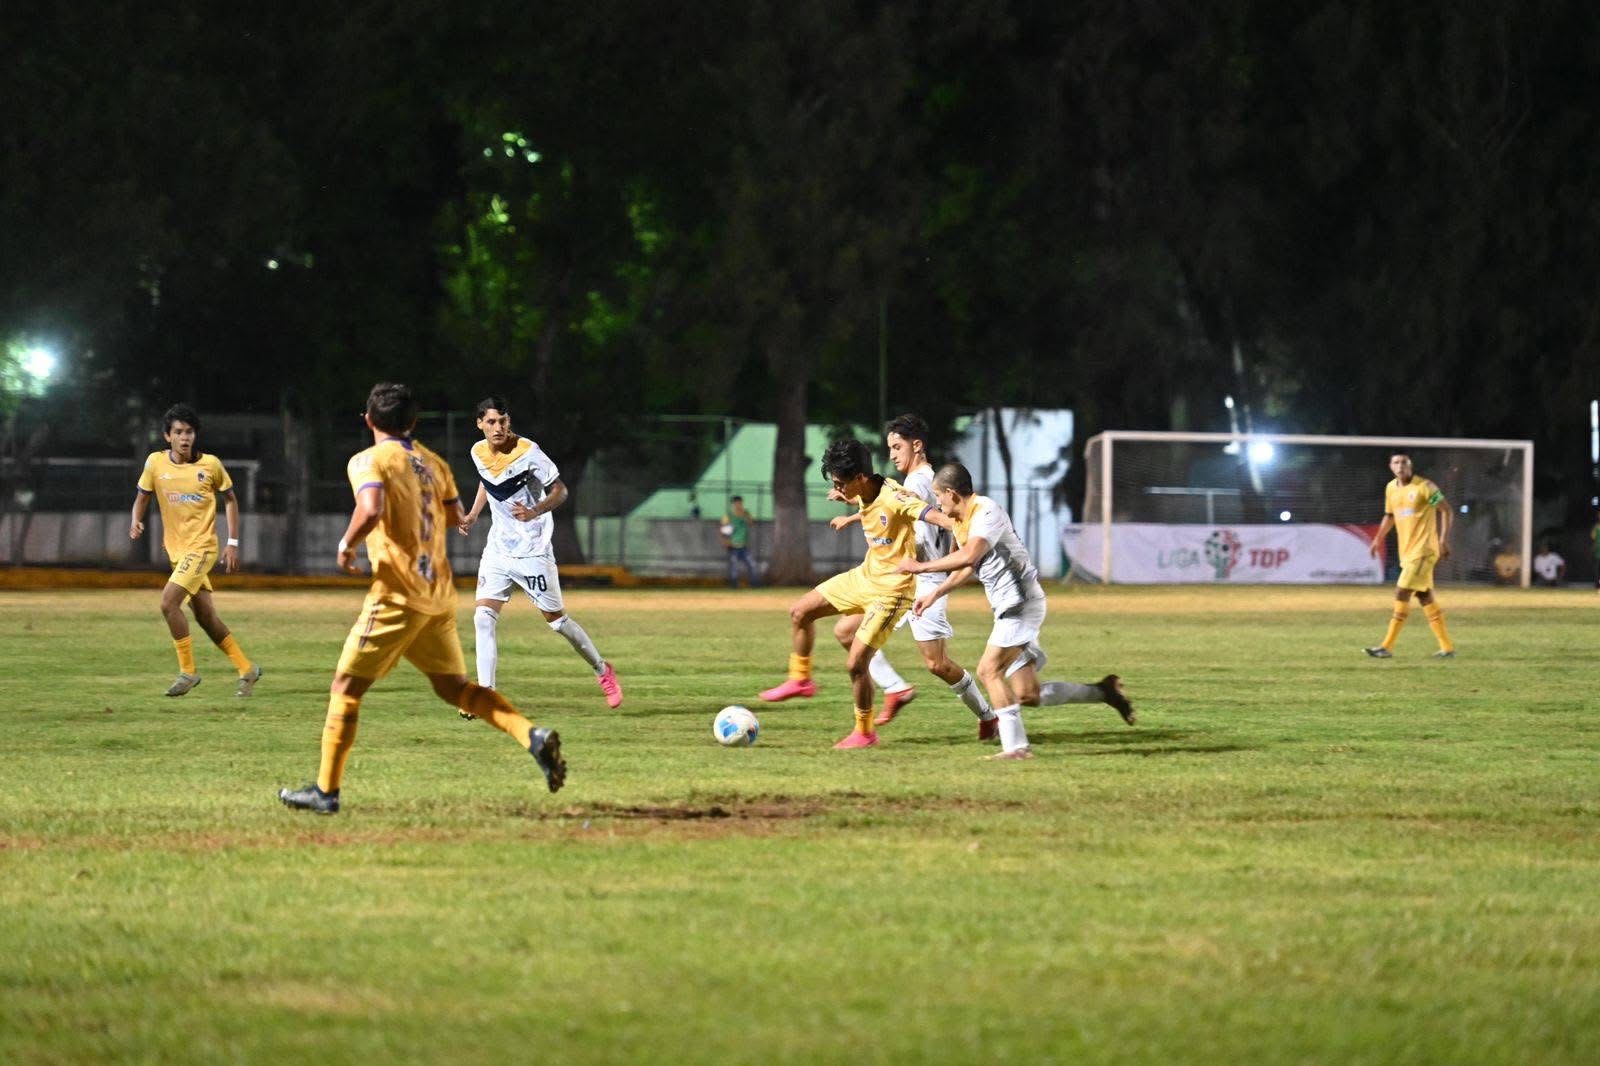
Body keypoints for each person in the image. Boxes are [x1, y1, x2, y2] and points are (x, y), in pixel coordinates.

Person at [278, 383, 565, 814]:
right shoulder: (434, 463)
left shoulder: (368, 459)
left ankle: (326, 791)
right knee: (457, 690)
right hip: (437, 595)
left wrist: (348, 542)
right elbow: (451, 516)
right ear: (412, 423)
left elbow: (371, 506)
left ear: (369, 420)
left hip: (397, 594)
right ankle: (531, 735)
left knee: (345, 688)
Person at [898, 462, 1135, 761]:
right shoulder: (960, 521)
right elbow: (968, 565)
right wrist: (935, 593)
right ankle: (1104, 691)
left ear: (951, 493)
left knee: (988, 670)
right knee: (1027, 694)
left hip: (1020, 602)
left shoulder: (986, 511)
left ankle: (1016, 748)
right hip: (1009, 605)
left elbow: (970, 554)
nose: (937, 502)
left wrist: (920, 567)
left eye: (938, 496)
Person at [827, 414, 996, 740]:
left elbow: (916, 516)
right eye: (889, 447)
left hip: (923, 580)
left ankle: (988, 716)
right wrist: (853, 510)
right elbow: (890, 512)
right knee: (847, 631)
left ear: (916, 445)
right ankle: (895, 689)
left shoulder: (920, 481)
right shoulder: (911, 482)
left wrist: (957, 546)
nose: (891, 454)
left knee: (937, 664)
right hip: (899, 578)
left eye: (897, 446)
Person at [757, 438, 932, 749]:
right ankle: (801, 680)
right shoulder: (865, 490)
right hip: (864, 577)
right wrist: (848, 504)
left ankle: (865, 732)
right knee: (800, 612)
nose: (838, 487)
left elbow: (927, 513)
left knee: (855, 664)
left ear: (859, 477)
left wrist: (962, 525)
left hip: (892, 590)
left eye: (841, 483)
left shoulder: (897, 497)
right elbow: (868, 506)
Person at [456, 396, 622, 710]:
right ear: (479, 424)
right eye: (491, 422)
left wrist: (535, 511)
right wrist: (474, 514)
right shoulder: (477, 451)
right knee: (482, 616)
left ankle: (603, 670)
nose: (498, 428)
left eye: (503, 421)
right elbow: (486, 482)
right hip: (498, 549)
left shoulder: (528, 452)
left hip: (532, 550)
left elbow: (561, 490)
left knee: (557, 622)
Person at [128, 403, 261, 698]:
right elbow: (142, 496)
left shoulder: (210, 465)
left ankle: (188, 672)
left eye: (189, 432)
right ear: (167, 436)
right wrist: (136, 519)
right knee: (205, 617)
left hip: (202, 549)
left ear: (195, 435)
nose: (184, 437)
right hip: (177, 553)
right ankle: (247, 669)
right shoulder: (155, 464)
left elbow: (230, 500)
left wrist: (233, 542)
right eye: (178, 432)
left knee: (167, 604)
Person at [1364, 452, 1455, 658]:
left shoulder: (1425, 486)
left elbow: (1447, 511)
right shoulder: (1390, 489)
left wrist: (1443, 539)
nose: (1400, 466)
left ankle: (1386, 647)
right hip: (1407, 552)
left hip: (1424, 550)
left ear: (1410, 466)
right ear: (1390, 466)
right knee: (1424, 597)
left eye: (1404, 462)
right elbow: (1389, 516)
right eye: (1396, 462)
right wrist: (1377, 539)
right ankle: (1447, 647)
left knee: (1401, 592)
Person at [719, 495, 759, 588]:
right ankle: (734, 585)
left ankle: (754, 584)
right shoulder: (729, 515)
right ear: (733, 504)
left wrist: (745, 514)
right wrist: (725, 542)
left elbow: (751, 523)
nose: (738, 505)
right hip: (733, 546)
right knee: (734, 568)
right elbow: (723, 530)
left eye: (740, 503)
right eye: (736, 503)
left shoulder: (745, 513)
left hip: (744, 546)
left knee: (752, 565)